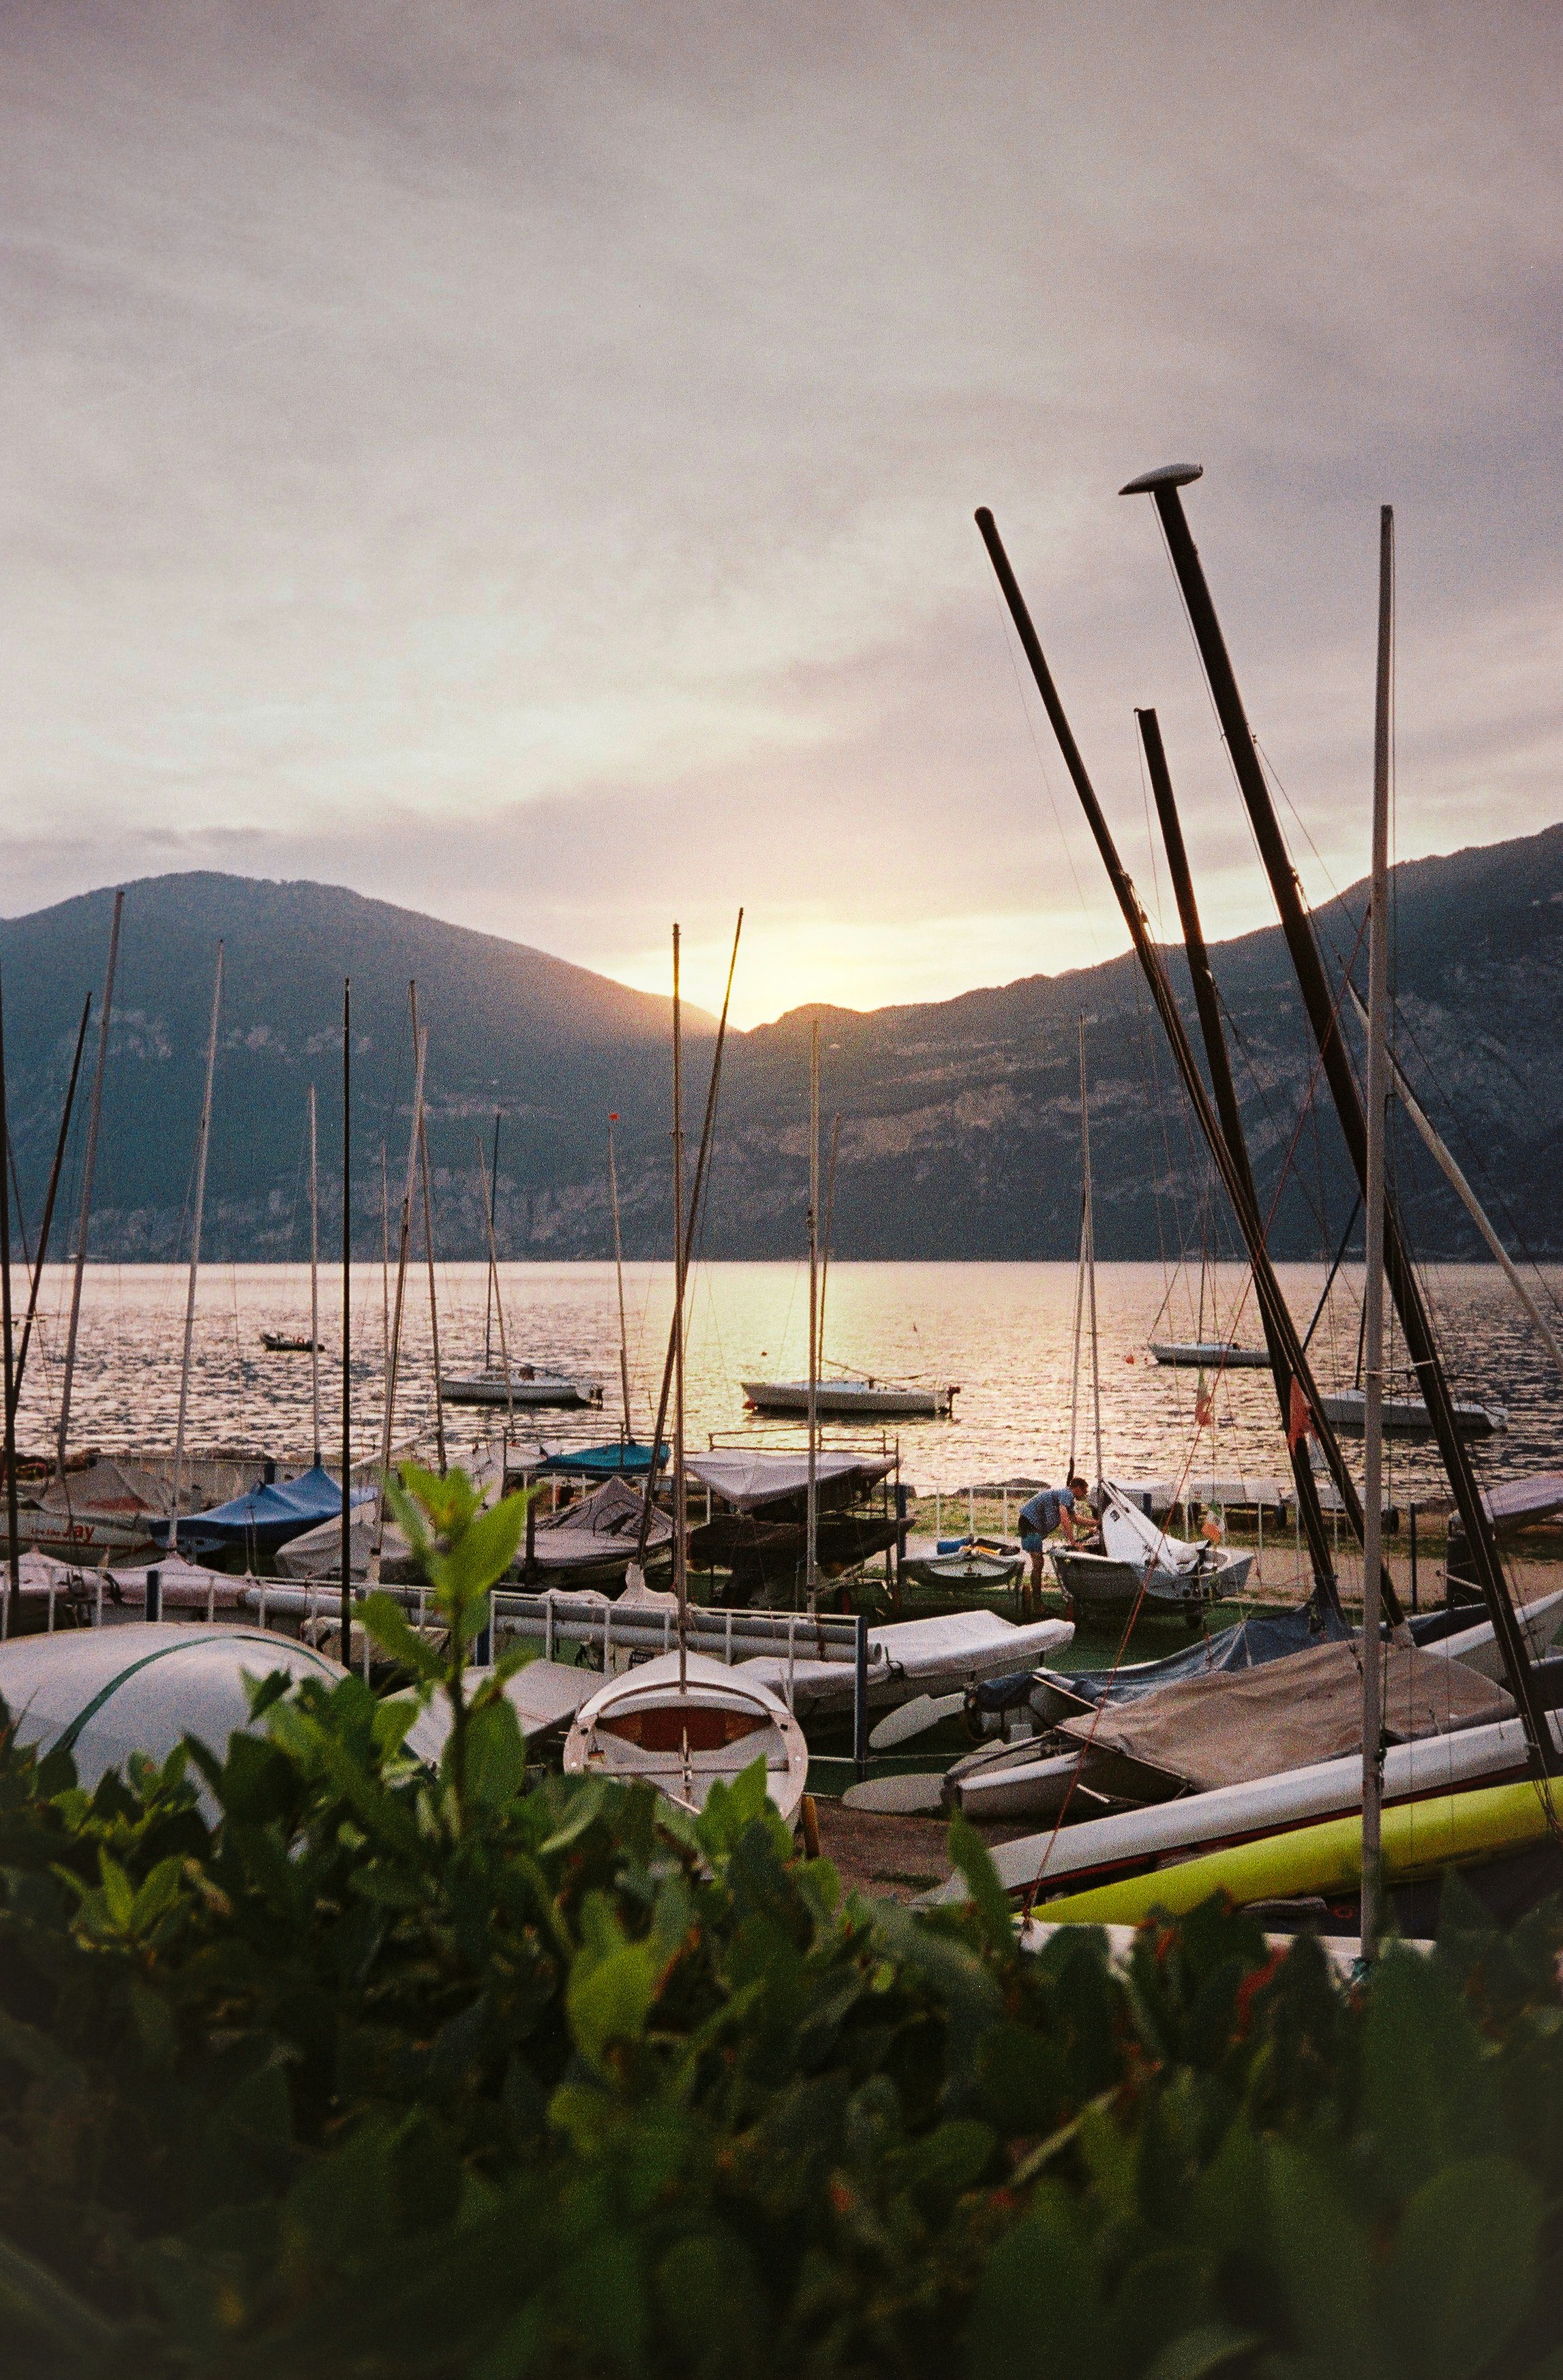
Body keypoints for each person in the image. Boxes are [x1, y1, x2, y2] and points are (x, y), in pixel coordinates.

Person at [1018, 1476, 1089, 1599]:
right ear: (1077, 1488)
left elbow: (1075, 1519)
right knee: (1038, 1563)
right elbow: (1064, 1517)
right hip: (1030, 1523)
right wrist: (1073, 1542)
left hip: (1029, 1523)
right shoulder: (1067, 1494)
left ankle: (1036, 1600)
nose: (1085, 1494)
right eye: (1084, 1491)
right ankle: (1037, 1603)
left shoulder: (1066, 1496)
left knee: (1038, 1563)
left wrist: (1096, 1523)